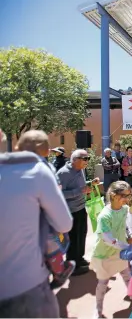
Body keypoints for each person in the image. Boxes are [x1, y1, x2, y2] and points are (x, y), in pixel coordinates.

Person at [0, 130, 73, 318]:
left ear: (16, 147)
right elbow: (64, 223)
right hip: (26, 285)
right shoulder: (38, 171)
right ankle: (59, 268)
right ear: (47, 151)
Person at [15, 131, 75, 289]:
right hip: (38, 220)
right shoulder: (45, 169)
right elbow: (55, 197)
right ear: (47, 150)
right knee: (52, 239)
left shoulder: (9, 168)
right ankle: (59, 270)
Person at [90, 181, 132, 318]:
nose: (128, 199)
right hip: (105, 255)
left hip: (120, 252)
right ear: (114, 196)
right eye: (125, 196)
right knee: (103, 283)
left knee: (127, 275)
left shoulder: (124, 209)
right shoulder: (105, 216)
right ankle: (97, 309)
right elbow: (108, 239)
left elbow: (124, 225)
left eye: (129, 195)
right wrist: (127, 247)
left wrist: (129, 235)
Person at [57, 149, 99, 275]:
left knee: (82, 234)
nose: (87, 161)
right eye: (84, 159)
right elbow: (59, 193)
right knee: (73, 238)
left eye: (88, 158)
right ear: (75, 160)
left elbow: (80, 186)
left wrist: (90, 183)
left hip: (81, 208)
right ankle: (72, 265)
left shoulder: (80, 170)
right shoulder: (63, 174)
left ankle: (79, 258)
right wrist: (80, 191)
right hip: (70, 211)